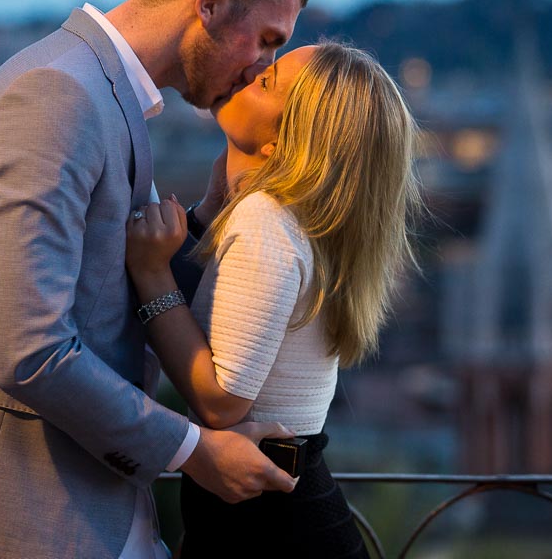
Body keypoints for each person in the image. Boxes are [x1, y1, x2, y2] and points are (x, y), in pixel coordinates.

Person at [0, 0, 311, 559]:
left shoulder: (96, 89)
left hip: (70, 511)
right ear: (212, 3)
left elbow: (99, 291)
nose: (259, 67)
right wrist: (194, 453)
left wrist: (205, 218)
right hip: (20, 519)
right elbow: (30, 351)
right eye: (269, 40)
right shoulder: (60, 96)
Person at [126, 42, 421, 558]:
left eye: (267, 80)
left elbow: (223, 402)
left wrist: (152, 277)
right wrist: (206, 214)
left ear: (281, 144)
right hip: (287, 503)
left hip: (268, 524)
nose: (251, 69)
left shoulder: (266, 219)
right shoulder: (292, 220)